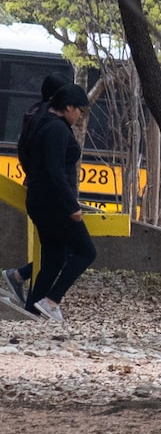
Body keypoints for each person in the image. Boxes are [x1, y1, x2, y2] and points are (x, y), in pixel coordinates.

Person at [17, 83, 96, 322]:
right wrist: (71, 206)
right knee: (86, 251)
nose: (80, 115)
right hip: (54, 204)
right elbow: (55, 172)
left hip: (41, 200)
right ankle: (51, 301)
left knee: (54, 257)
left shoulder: (42, 122)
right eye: (79, 110)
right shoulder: (57, 130)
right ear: (68, 106)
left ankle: (32, 308)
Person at [4, 71, 71, 306]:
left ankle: (22, 280)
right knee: (65, 250)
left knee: (57, 250)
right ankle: (33, 296)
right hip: (49, 192)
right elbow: (53, 163)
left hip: (36, 184)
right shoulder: (51, 120)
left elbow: (23, 147)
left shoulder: (32, 112)